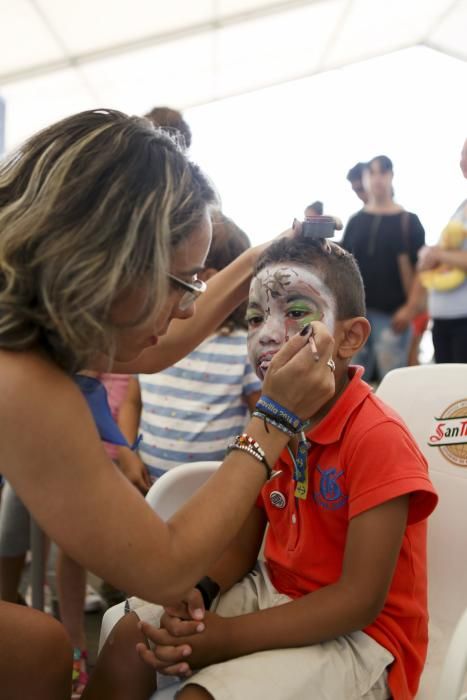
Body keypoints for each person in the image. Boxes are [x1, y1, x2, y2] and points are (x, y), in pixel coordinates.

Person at [0, 108, 335, 699]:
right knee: (38, 652)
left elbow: (165, 343)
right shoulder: (20, 378)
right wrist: (277, 418)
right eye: (180, 283)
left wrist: (267, 251)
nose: (187, 308)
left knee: (37, 650)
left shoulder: (32, 324)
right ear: (111, 262)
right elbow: (163, 566)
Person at [84, 234, 438, 700]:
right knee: (130, 639)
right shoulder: (271, 426)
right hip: (270, 591)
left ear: (351, 337)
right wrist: (204, 590)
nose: (268, 333)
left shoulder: (377, 438)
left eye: (295, 312)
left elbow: (359, 601)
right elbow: (243, 544)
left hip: (363, 641)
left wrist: (228, 637)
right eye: (255, 317)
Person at [118, 212, 261, 483]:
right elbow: (132, 402)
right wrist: (128, 455)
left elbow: (261, 416)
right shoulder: (148, 340)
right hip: (149, 485)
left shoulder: (241, 348)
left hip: (208, 491)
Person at [341, 155, 426, 382]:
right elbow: (343, 265)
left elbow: (423, 269)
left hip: (393, 317)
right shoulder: (356, 221)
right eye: (372, 173)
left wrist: (410, 308)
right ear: (366, 178)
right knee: (353, 385)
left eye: (383, 172)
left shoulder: (409, 220)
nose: (378, 179)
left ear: (391, 176)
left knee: (393, 384)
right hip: (356, 315)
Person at [403, 138, 467, 364]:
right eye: (461, 154)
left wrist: (437, 255)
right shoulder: (462, 205)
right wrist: (429, 257)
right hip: (443, 318)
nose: (462, 161)